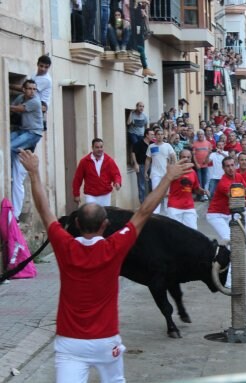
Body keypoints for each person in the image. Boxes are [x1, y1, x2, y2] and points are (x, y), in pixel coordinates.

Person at [18, 149, 191, 383]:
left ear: (76, 224)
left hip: (69, 343)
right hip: (105, 341)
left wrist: (34, 173)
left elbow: (45, 211)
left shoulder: (63, 245)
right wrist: (167, 178)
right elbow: (144, 212)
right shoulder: (114, 247)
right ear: (105, 225)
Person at [206, 156, 246, 285]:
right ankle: (228, 280)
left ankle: (220, 263)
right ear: (223, 168)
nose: (230, 168)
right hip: (216, 215)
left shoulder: (238, 176)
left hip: (228, 215)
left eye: (232, 165)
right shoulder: (223, 183)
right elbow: (237, 199)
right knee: (232, 243)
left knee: (235, 242)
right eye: (227, 166)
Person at [10, 79, 44, 219]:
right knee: (5, 143)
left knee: (11, 146)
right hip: (22, 131)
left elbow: (18, 109)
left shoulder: (35, 101)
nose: (32, 91)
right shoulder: (20, 97)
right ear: (23, 89)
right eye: (29, 89)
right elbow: (14, 108)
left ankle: (8, 170)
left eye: (34, 89)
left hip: (33, 133)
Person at [166, 149, 209, 230]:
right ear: (179, 158)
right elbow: (165, 183)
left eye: (188, 157)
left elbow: (196, 188)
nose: (186, 159)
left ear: (191, 158)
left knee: (193, 232)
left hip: (189, 207)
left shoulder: (193, 172)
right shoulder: (173, 171)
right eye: (183, 157)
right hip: (174, 207)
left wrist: (203, 191)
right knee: (175, 234)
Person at [72, 139, 121, 207]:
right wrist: (76, 194)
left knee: (104, 215)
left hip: (105, 195)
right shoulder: (84, 161)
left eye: (101, 147)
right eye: (97, 147)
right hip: (90, 195)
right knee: (91, 215)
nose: (99, 149)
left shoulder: (109, 161)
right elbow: (77, 179)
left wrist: (117, 182)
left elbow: (116, 174)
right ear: (92, 148)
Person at [145, 129, 177, 215]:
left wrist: (173, 168)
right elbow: (148, 159)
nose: (160, 136)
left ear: (163, 136)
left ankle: (168, 212)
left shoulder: (167, 146)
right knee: (156, 192)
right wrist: (145, 171)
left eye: (161, 134)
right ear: (155, 136)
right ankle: (156, 212)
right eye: (158, 134)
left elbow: (173, 157)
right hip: (155, 173)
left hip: (166, 173)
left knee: (167, 193)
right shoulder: (151, 147)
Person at [131, 128, 154, 204]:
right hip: (141, 165)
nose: (153, 136)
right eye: (151, 134)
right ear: (146, 135)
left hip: (151, 165)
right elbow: (133, 153)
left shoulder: (152, 144)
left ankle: (151, 203)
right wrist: (136, 164)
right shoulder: (139, 143)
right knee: (142, 185)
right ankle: (143, 204)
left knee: (152, 184)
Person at [191, 129, 212, 199]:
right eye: (199, 134)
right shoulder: (195, 143)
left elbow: (210, 153)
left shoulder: (208, 143)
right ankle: (200, 195)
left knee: (205, 180)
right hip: (198, 165)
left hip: (205, 165)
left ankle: (203, 194)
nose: (200, 135)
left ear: (204, 135)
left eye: (201, 134)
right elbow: (193, 155)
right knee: (199, 181)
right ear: (197, 135)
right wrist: (196, 164)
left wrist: (207, 160)